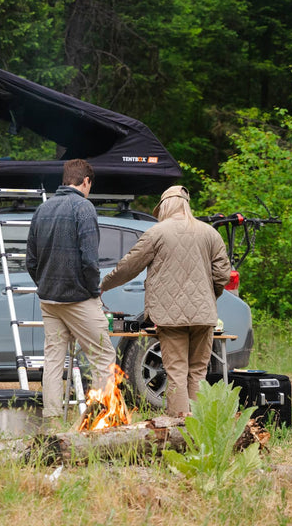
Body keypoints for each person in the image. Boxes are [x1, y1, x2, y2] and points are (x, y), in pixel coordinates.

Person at [100, 185, 230, 416]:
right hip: (204, 315)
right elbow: (222, 275)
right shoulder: (210, 233)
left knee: (177, 372)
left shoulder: (156, 233)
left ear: (165, 206)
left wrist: (103, 285)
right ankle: (199, 427)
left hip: (170, 317)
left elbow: (129, 267)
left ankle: (179, 427)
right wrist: (209, 297)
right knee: (199, 372)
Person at [26, 159, 116, 424]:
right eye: (90, 185)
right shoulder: (84, 208)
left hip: (49, 299)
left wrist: (43, 283)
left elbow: (30, 260)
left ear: (65, 179)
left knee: (53, 360)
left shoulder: (42, 209)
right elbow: (90, 259)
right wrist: (93, 290)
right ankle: (104, 418)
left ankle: (53, 421)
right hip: (78, 298)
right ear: (85, 181)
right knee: (103, 356)